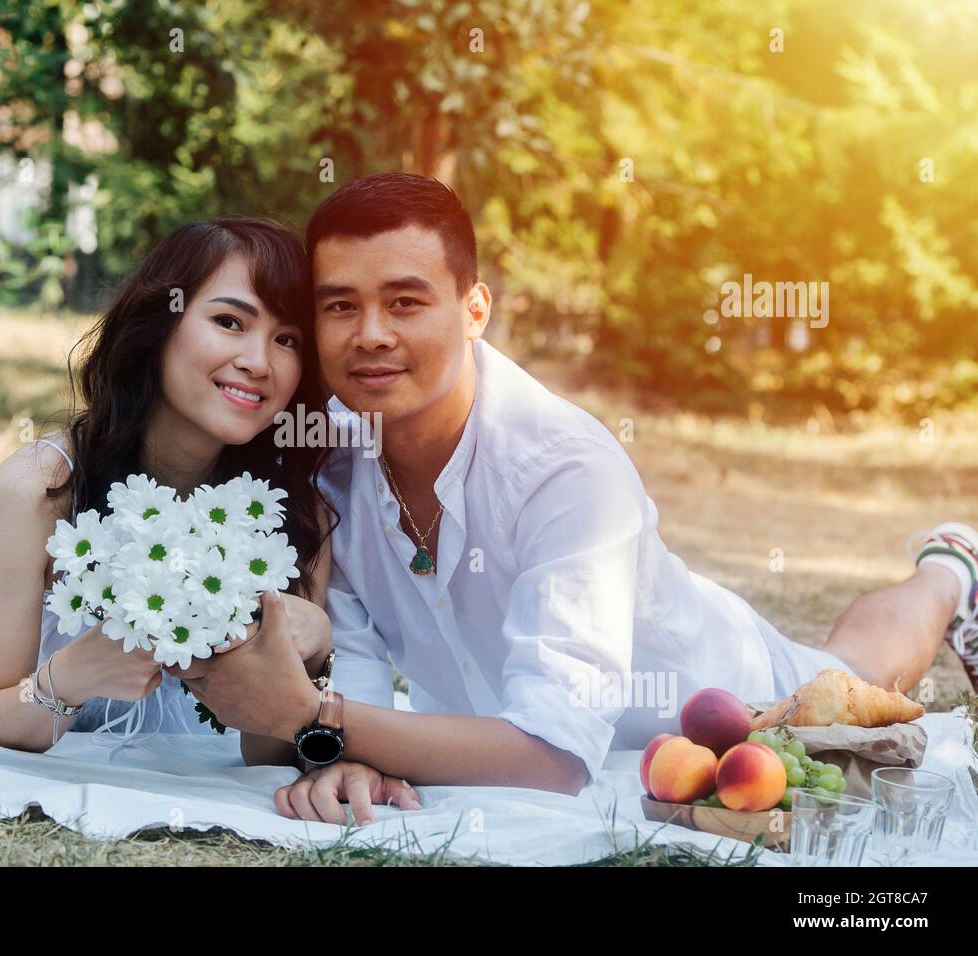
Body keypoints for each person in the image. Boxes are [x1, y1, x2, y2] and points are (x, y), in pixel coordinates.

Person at [170, 173, 978, 825]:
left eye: (406, 302)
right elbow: (358, 678)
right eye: (339, 305)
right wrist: (346, 752)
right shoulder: (329, 455)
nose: (370, 333)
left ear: (475, 310)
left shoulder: (564, 466)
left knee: (858, 676)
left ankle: (950, 567)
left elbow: (555, 759)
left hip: (733, 694)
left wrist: (315, 720)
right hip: (501, 716)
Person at [0, 217, 335, 753]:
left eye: (286, 339)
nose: (258, 362)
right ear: (158, 324)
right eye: (229, 322)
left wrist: (311, 649)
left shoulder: (295, 509)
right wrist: (76, 673)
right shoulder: (38, 487)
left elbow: (266, 757)